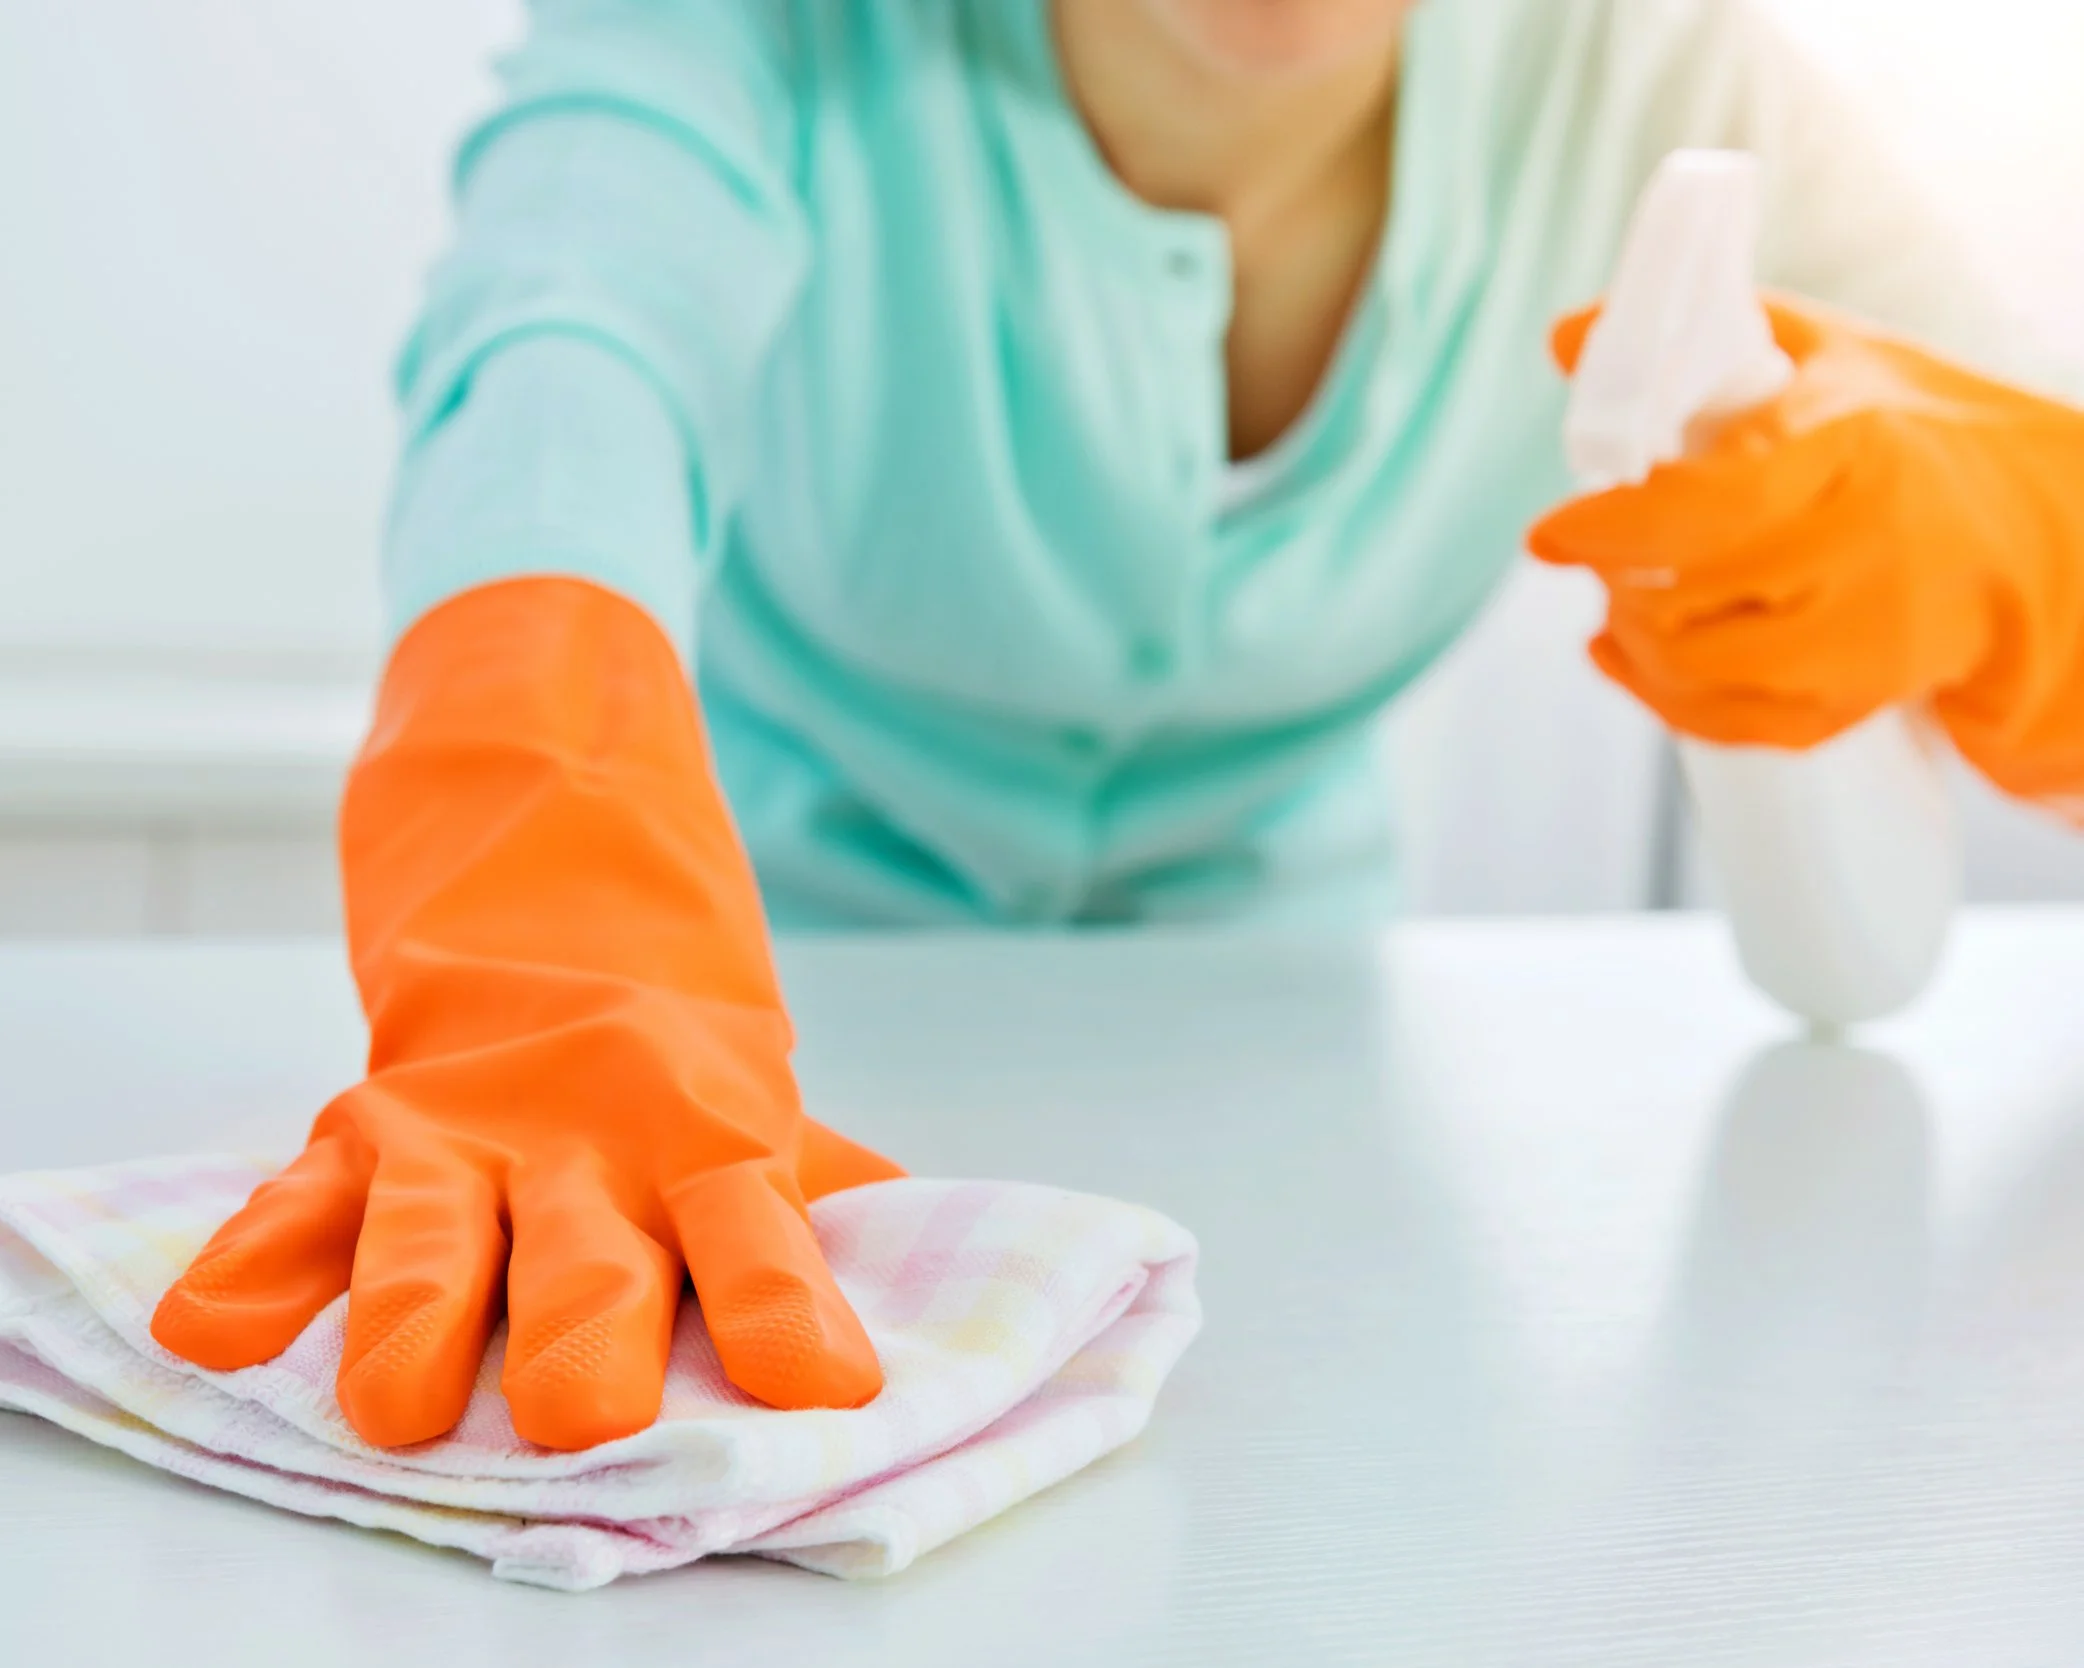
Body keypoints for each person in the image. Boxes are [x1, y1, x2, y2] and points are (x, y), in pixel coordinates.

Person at [149, 0, 2084, 1450]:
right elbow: (560, 355)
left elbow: (2030, 473)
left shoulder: (1658, 74)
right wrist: (539, 875)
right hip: (718, 1072)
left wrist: (2010, 545)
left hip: (1314, 1105)